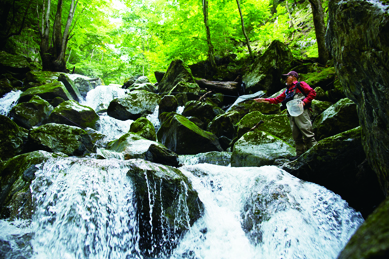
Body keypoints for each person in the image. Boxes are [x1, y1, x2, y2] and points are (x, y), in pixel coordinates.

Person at [254, 71, 317, 161]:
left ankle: (315, 151)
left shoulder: (301, 84)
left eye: (287, 77)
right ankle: (299, 154)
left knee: (306, 131)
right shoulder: (287, 91)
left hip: (301, 112)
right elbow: (276, 100)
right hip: (291, 114)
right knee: (296, 134)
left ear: (293, 77)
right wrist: (263, 100)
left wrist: (304, 102)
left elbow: (312, 93)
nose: (285, 79)